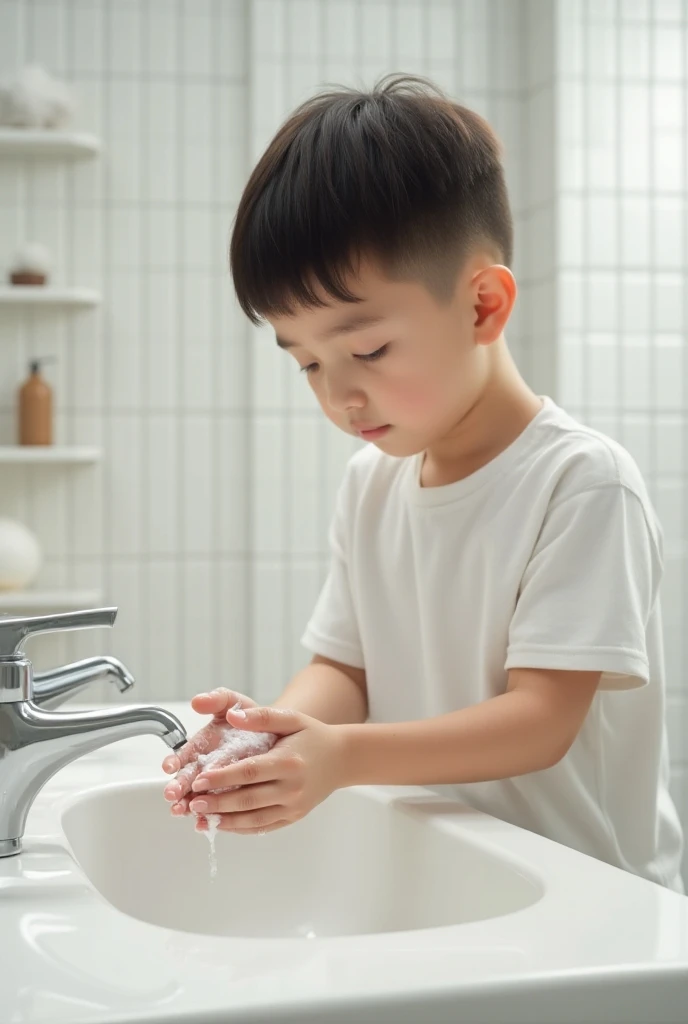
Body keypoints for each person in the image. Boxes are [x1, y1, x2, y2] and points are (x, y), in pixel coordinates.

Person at [162, 74, 684, 893]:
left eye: (366, 350)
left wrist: (343, 757)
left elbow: (539, 722)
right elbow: (345, 670)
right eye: (306, 362)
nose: (340, 394)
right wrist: (272, 733)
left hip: (591, 899)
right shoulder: (371, 484)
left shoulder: (581, 483)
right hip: (456, 876)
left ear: (482, 306)